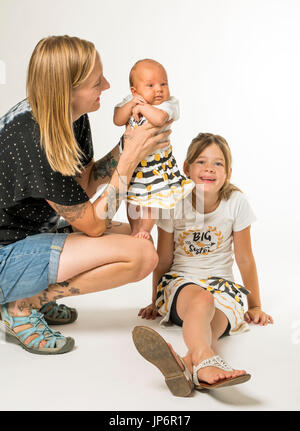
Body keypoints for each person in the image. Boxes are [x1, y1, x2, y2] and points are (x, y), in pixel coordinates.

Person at [0, 35, 172, 355]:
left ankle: (33, 292)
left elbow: (85, 183)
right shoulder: (33, 138)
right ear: (66, 91)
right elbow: (91, 225)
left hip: (35, 234)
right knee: (141, 256)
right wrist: (131, 158)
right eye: (96, 82)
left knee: (137, 236)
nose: (107, 86)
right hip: (6, 253)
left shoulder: (72, 117)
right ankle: (22, 305)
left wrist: (128, 143)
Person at [132, 132, 274, 396]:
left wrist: (255, 305)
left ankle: (189, 362)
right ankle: (207, 363)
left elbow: (245, 258)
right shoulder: (173, 203)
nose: (209, 168)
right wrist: (155, 301)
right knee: (203, 300)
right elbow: (164, 258)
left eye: (218, 163)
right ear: (187, 168)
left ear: (228, 172)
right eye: (201, 162)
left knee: (216, 318)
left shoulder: (236, 202)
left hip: (223, 287)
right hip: (181, 284)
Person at [113, 59, 194, 240]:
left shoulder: (168, 104)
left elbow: (159, 119)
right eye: (150, 85)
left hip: (156, 165)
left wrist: (142, 107)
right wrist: (132, 104)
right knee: (132, 198)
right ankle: (135, 228)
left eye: (163, 84)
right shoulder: (131, 101)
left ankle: (146, 229)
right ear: (135, 91)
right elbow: (118, 119)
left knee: (152, 199)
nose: (159, 89)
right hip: (135, 164)